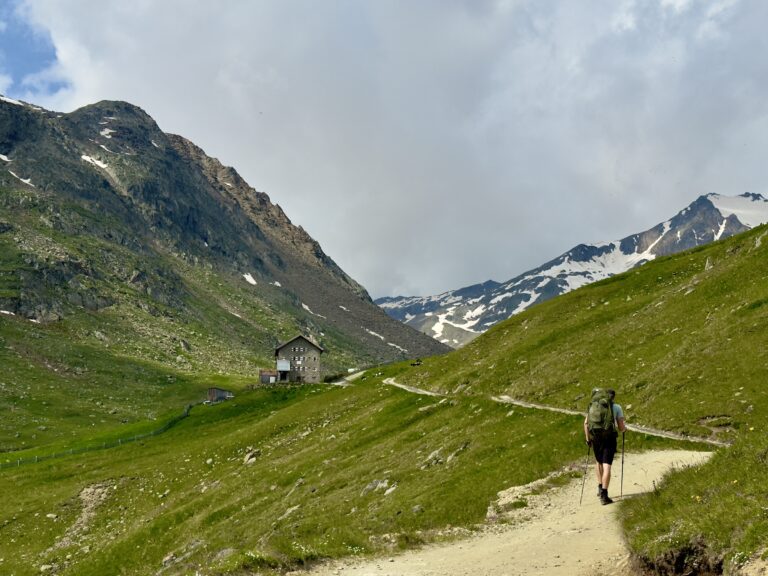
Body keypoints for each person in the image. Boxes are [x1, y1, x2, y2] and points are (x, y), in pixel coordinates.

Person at [583, 388, 626, 505]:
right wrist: (624, 429)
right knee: (607, 465)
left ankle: (600, 486)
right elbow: (621, 427)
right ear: (613, 397)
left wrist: (588, 439)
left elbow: (586, 424)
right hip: (609, 437)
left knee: (599, 462)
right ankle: (604, 495)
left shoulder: (594, 406)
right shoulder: (617, 408)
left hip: (596, 437)